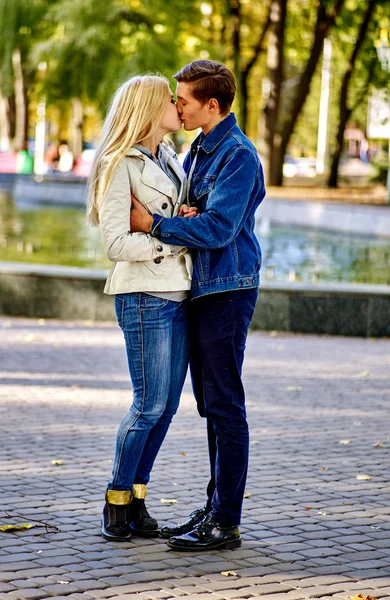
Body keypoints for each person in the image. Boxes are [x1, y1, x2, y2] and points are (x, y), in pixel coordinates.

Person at [130, 60, 266, 551]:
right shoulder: (200, 150)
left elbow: (219, 230)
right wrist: (191, 211)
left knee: (225, 406)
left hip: (227, 290)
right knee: (211, 406)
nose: (176, 106)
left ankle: (226, 520)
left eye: (183, 100)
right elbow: (207, 214)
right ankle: (214, 507)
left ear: (212, 105)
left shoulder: (237, 154)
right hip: (205, 289)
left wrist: (157, 226)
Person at [87, 75, 193, 542]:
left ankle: (137, 496)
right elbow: (114, 242)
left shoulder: (169, 158)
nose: (178, 104)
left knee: (167, 406)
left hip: (180, 293)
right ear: (150, 108)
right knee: (148, 404)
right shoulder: (119, 163)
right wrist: (168, 238)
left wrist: (179, 220)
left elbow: (166, 219)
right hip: (144, 295)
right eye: (170, 99)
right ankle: (115, 500)